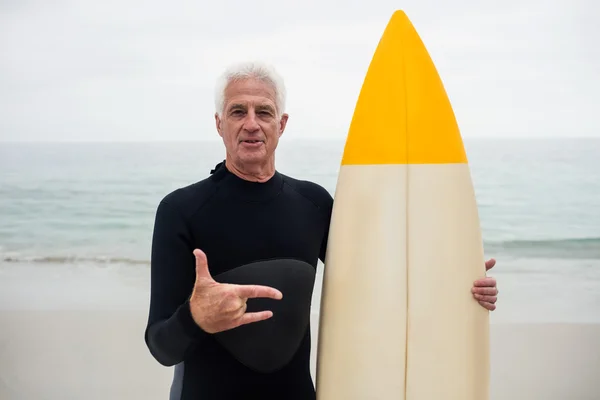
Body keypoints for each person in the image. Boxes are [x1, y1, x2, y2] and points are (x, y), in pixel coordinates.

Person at [144, 61, 499, 400]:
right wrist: (196, 316)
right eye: (238, 111)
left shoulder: (312, 203)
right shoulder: (181, 210)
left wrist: (456, 283)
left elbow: (374, 279)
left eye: (263, 112)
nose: (251, 123)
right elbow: (161, 345)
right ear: (219, 123)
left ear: (281, 124)